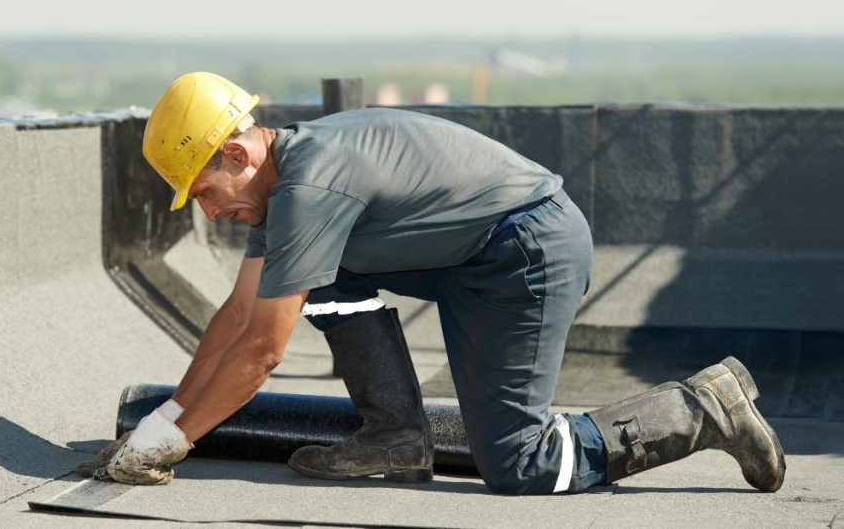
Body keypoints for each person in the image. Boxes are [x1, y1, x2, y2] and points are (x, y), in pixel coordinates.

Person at [79, 72, 785, 494]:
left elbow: (262, 352)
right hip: (474, 256)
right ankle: (395, 435)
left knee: (520, 464)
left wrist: (171, 443)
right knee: (312, 277)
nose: (211, 212)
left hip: (527, 252)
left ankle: (700, 410)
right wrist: (165, 420)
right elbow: (237, 319)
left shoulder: (310, 185)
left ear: (236, 150)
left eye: (206, 191)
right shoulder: (281, 189)